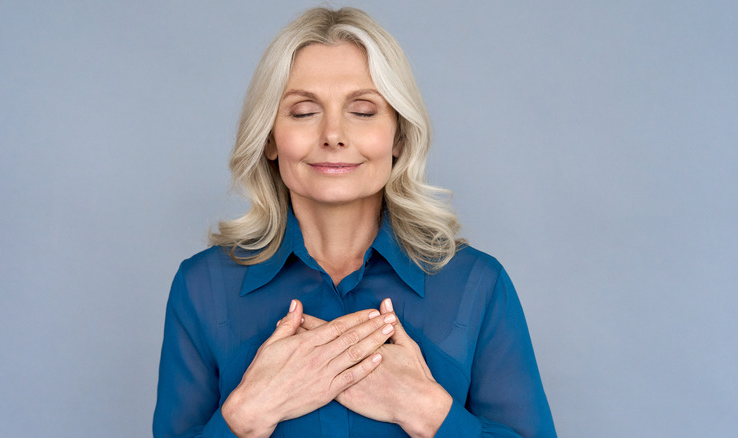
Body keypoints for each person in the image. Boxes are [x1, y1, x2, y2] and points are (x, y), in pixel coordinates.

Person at [153, 6, 556, 438]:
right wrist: (247, 415)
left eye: (363, 111)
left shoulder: (478, 284)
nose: (333, 134)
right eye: (303, 111)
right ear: (269, 138)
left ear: (399, 135)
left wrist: (429, 412)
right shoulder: (202, 287)